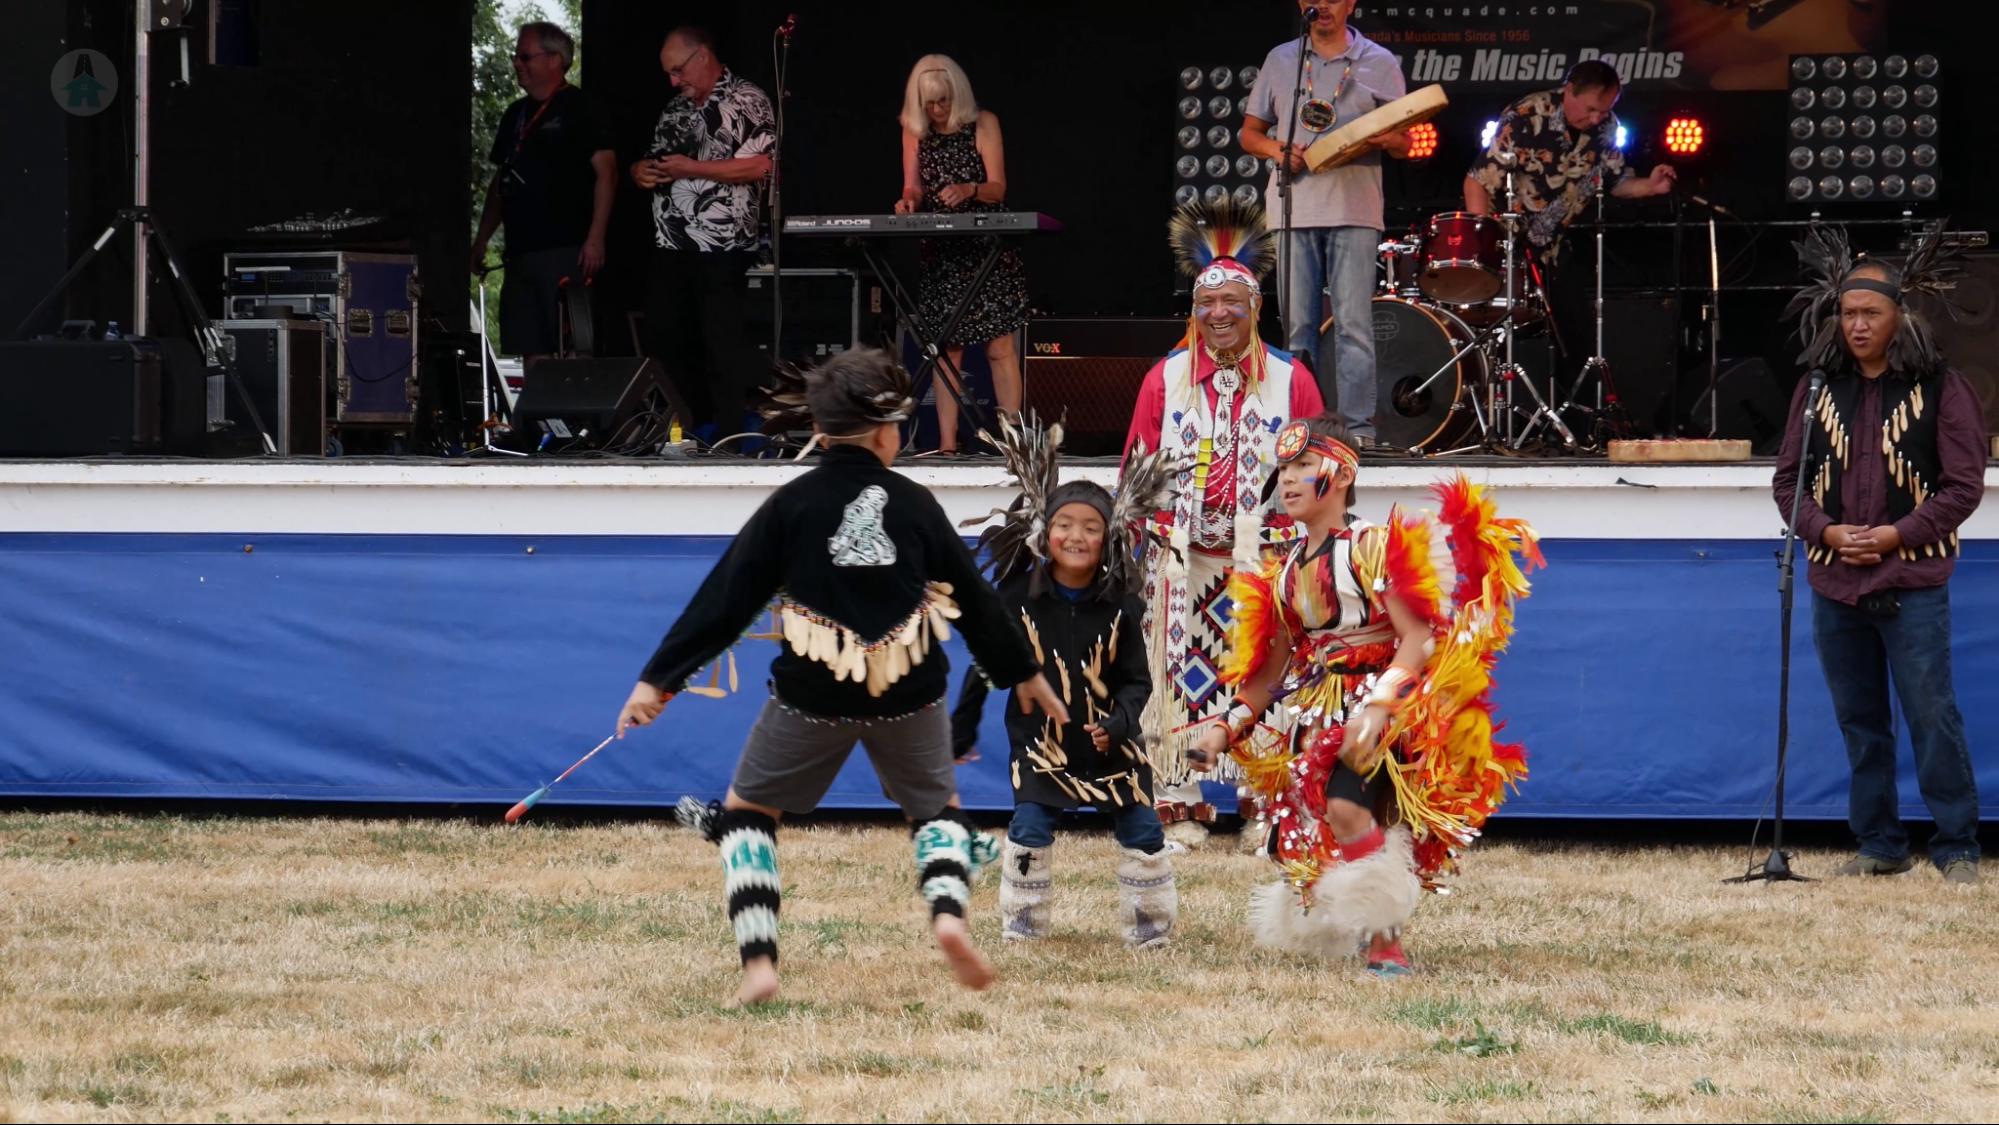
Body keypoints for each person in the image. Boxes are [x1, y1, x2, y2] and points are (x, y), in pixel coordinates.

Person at [615, 348, 1069, 1007]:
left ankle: (760, 965)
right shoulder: (914, 503)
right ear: (889, 433)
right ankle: (947, 916)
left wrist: (658, 679)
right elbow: (973, 597)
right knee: (935, 811)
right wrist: (1021, 670)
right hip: (909, 690)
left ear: (820, 432)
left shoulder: (791, 503)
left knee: (746, 816)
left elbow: (725, 597)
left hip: (811, 695)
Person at [1192, 415, 1540, 974]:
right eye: (1284, 468)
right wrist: (1225, 725)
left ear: (1342, 473)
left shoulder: (1373, 548)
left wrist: (1379, 709)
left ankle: (1386, 943)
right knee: (1322, 823)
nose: (1289, 480)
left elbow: (1417, 637)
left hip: (1383, 703)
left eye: (1304, 466)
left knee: (1349, 806)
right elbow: (1268, 673)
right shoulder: (1283, 575)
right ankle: (1361, 926)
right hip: (1319, 706)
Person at [1771, 224, 1983, 886]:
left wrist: (1895, 534)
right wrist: (1825, 532)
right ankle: (1879, 840)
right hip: (1834, 580)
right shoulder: (1814, 391)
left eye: (1870, 313)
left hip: (1911, 578)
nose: (1856, 325)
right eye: (1847, 313)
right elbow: (1787, 481)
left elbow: (1961, 486)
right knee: (1859, 720)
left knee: (1931, 714)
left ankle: (1955, 845)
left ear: (1899, 316)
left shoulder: (1942, 388)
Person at [1122, 198, 1325, 845]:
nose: (1218, 315)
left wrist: (1313, 552)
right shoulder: (1166, 378)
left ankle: (1260, 798)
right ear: (1193, 311)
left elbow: (1323, 471)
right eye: (1207, 304)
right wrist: (1139, 544)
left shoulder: (1291, 380)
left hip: (1264, 559)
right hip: (1180, 557)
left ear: (1254, 308)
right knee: (1177, 673)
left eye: (1232, 302)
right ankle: (1179, 798)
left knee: (1259, 671)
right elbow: (1136, 466)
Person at [951, 416, 1181, 946]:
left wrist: (1120, 724)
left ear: (1109, 538)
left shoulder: (1122, 606)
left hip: (1113, 748)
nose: (1076, 536)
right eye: (1065, 525)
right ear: (1044, 531)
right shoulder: (1017, 600)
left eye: (1091, 527)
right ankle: (1023, 927)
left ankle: (1150, 931)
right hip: (1042, 746)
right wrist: (959, 733)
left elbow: (1136, 681)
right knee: (1029, 829)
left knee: (1143, 832)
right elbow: (986, 667)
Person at [1241, 0, 1411, 443]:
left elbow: (1406, 141)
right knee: (1297, 326)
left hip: (1354, 208)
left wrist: (1383, 136)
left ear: (1351, 3)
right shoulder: (1282, 59)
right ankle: (1298, 426)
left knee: (1353, 324)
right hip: (1294, 207)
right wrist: (1276, 149)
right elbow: (1249, 133)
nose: (1325, 7)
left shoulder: (1379, 61)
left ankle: (1356, 433)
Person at [1463, 59, 1677, 392]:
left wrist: (1649, 186)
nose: (1596, 118)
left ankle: (1570, 427)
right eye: (1591, 109)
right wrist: (1484, 248)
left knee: (1575, 337)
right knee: (1500, 339)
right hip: (1510, 247)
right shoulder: (1525, 116)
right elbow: (1477, 182)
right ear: (1569, 91)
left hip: (1554, 250)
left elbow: (1616, 180)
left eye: (1604, 111)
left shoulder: (1606, 128)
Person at [631, 27, 774, 437]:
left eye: (678, 70)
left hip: (722, 242)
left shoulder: (748, 99)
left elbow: (761, 165)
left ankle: (729, 435)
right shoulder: (674, 108)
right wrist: (639, 171)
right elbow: (656, 160)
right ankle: (688, 429)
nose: (674, 81)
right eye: (669, 74)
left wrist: (691, 168)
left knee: (721, 342)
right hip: (672, 239)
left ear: (703, 56)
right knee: (667, 336)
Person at [894, 55, 1028, 454]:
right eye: (930, 104)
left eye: (943, 102)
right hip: (943, 249)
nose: (937, 110)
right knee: (945, 349)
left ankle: (1011, 445)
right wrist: (907, 201)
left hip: (987, 246)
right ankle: (948, 446)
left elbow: (998, 187)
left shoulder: (983, 123)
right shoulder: (913, 130)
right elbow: (913, 186)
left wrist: (970, 189)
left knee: (999, 348)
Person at [472, 21, 616, 363]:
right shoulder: (514, 114)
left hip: (566, 250)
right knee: (530, 346)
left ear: (554, 59)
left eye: (525, 56)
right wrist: (481, 240)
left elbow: (607, 174)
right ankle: (539, 417)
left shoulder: (582, 108)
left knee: (570, 347)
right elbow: (500, 183)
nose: (517, 63)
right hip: (520, 252)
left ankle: (575, 415)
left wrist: (596, 237)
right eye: (515, 56)